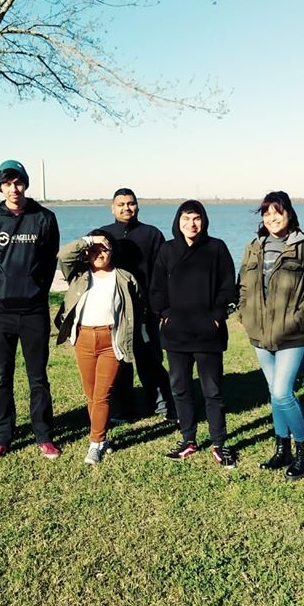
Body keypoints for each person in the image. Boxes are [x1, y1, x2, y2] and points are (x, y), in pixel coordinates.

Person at [238, 191, 304, 480]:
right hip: (259, 334)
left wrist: (298, 322)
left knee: (282, 393)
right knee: (273, 393)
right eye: (266, 213)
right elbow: (242, 287)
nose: (271, 218)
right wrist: (246, 316)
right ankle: (283, 449)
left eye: (276, 212)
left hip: (292, 335)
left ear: (288, 213)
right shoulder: (253, 248)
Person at [0, 159, 61, 462]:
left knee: (37, 377)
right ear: (0, 186)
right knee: (1, 377)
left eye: (18, 182)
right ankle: (2, 436)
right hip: (1, 312)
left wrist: (35, 291)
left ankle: (43, 434)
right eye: (7, 183)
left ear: (25, 183)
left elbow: (50, 262)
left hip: (34, 311)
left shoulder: (44, 218)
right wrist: (3, 291)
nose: (13, 188)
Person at [150, 200, 238, 468]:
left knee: (213, 390)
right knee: (180, 388)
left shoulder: (216, 248)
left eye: (196, 218)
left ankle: (219, 443)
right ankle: (188, 439)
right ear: (178, 221)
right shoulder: (168, 250)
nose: (191, 224)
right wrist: (164, 313)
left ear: (204, 221)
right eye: (186, 219)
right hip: (176, 333)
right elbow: (155, 287)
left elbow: (228, 286)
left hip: (207, 333)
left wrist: (216, 315)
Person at [56, 230, 143, 464]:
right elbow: (63, 256)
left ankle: (95, 443)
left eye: (104, 248)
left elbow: (135, 309)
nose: (99, 253)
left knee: (102, 395)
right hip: (83, 339)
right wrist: (88, 240)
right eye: (94, 249)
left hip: (110, 340)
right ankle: (103, 439)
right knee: (91, 395)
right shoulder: (79, 275)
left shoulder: (124, 277)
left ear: (112, 251)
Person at [100, 188, 175, 421]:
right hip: (113, 311)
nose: (126, 208)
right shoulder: (103, 234)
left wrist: (159, 306)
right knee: (119, 360)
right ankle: (123, 408)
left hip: (145, 310)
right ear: (112, 208)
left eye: (130, 204)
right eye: (121, 204)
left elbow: (163, 273)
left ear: (137, 207)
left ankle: (164, 405)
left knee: (149, 358)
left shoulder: (151, 234)